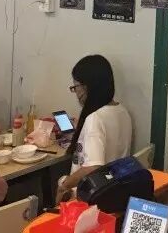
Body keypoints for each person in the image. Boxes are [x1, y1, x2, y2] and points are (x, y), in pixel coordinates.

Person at [56, 55, 132, 203]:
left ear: (87, 87)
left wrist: (64, 185)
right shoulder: (122, 111)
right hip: (114, 190)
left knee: (60, 182)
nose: (76, 93)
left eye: (75, 87)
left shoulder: (95, 118)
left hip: (91, 197)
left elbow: (93, 167)